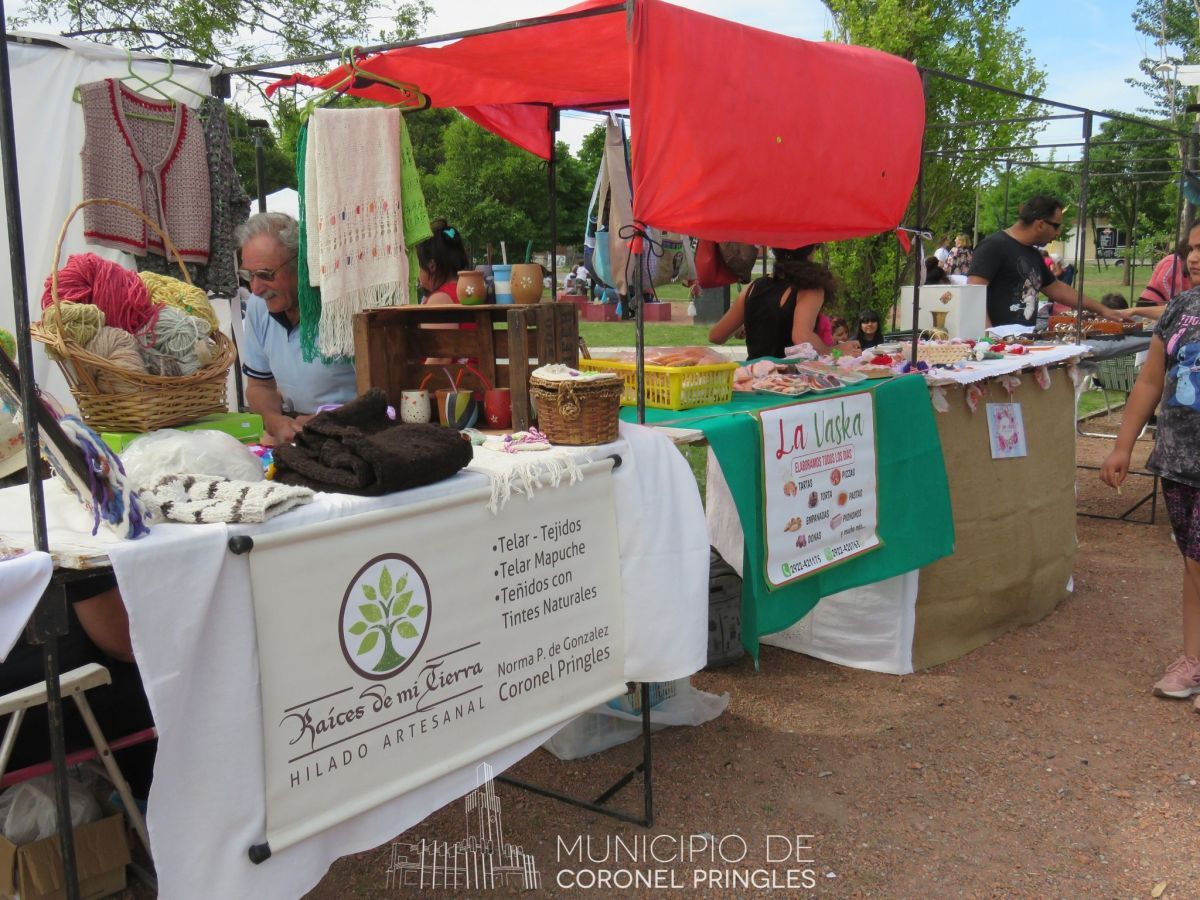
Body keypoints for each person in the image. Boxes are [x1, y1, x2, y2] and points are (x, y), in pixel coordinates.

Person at [1100, 220, 1200, 707]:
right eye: (1192, 248)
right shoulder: (1180, 309)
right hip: (1179, 459)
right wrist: (1123, 445)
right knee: (1191, 563)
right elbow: (1149, 383)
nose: (1194, 258)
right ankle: (1192, 659)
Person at [0, 571, 155, 797]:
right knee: (164, 684)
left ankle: (138, 800)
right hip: (19, 721)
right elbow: (125, 645)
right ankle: (150, 802)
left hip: (17, 711)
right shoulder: (67, 554)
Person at [237, 212, 357, 445]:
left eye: (264, 275)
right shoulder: (257, 307)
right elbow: (259, 385)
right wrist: (274, 421)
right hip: (299, 431)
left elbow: (381, 393)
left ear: (300, 266)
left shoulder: (340, 306)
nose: (255, 289)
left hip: (352, 431)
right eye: (248, 276)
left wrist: (327, 422)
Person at [968, 196, 1123, 328]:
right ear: (1040, 224)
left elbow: (1056, 288)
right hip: (997, 347)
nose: (1059, 232)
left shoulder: (1033, 253)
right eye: (1056, 226)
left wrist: (1103, 310)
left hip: (1021, 343)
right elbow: (973, 293)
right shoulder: (993, 246)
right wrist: (989, 340)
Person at [708, 245, 859, 358]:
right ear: (810, 252)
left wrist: (749, 324)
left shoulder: (752, 287)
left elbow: (716, 335)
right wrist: (834, 351)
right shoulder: (810, 289)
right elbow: (801, 337)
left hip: (754, 379)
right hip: (790, 382)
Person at [1139, 240, 1192, 307]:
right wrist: (1172, 300)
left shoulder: (1184, 265)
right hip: (1151, 301)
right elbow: (1162, 280)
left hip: (1162, 304)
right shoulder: (1174, 260)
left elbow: (1187, 287)